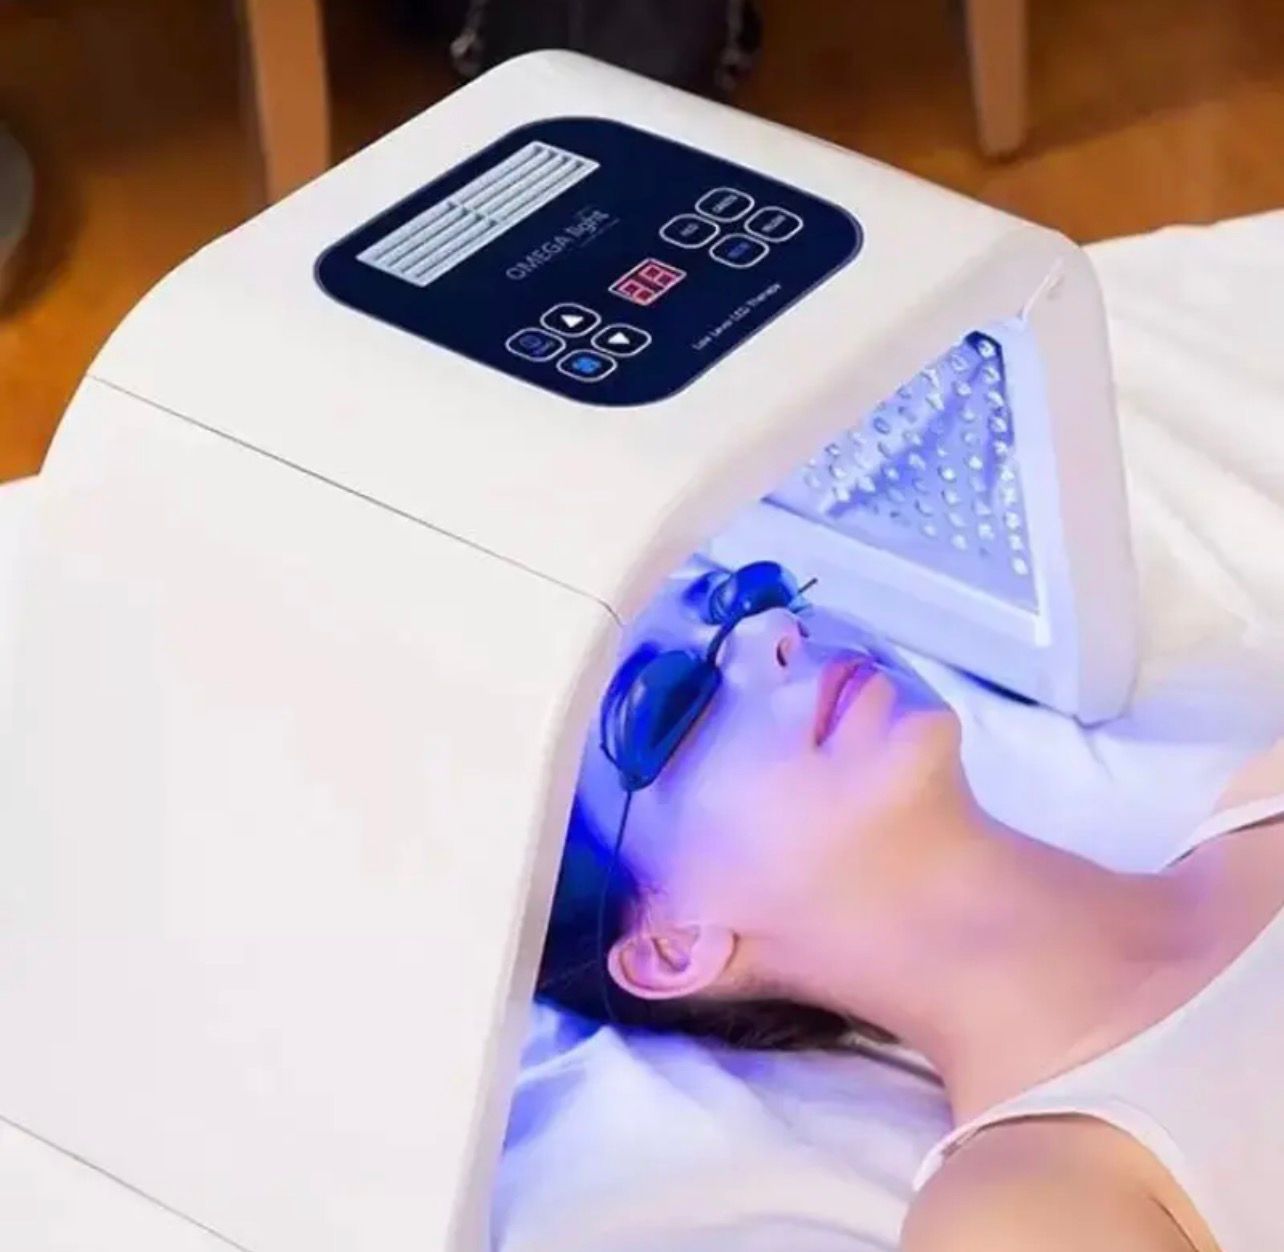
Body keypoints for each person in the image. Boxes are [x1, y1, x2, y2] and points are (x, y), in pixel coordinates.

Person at [537, 561, 1284, 1252]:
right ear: (669, 948)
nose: (776, 633)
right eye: (673, 702)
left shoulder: (1268, 793)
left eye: (753, 595)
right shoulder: (1025, 1208)